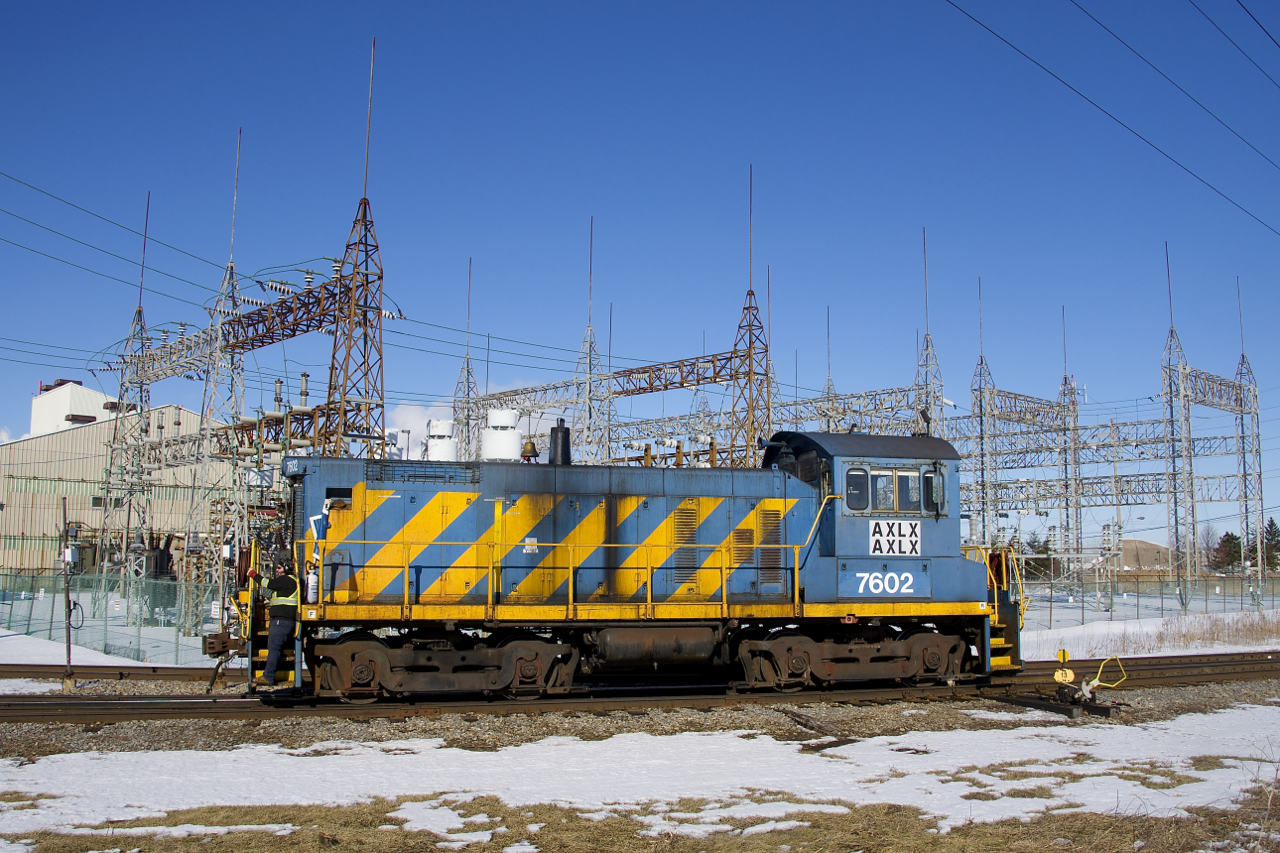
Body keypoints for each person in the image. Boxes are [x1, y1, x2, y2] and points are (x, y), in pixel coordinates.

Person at [246, 560, 298, 688]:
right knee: (276, 648)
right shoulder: (289, 582)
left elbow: (267, 583)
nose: (277, 570)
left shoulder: (287, 580)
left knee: (274, 648)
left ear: (286, 569)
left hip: (281, 621)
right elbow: (273, 593)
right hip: (282, 621)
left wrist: (252, 574)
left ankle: (268, 676)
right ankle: (271, 671)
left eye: (279, 568)